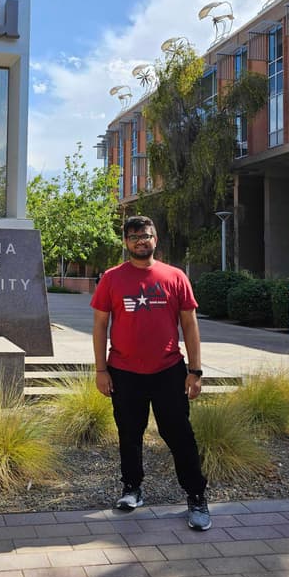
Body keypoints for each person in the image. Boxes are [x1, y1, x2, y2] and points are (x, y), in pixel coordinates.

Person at [91, 215, 211, 531]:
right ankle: (132, 489)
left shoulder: (175, 277)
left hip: (168, 371)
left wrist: (195, 370)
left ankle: (197, 496)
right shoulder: (111, 279)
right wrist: (101, 369)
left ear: (155, 239)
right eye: (133, 236)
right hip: (124, 372)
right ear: (125, 242)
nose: (140, 241)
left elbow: (190, 324)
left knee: (179, 435)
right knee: (129, 434)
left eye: (145, 235)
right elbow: (101, 325)